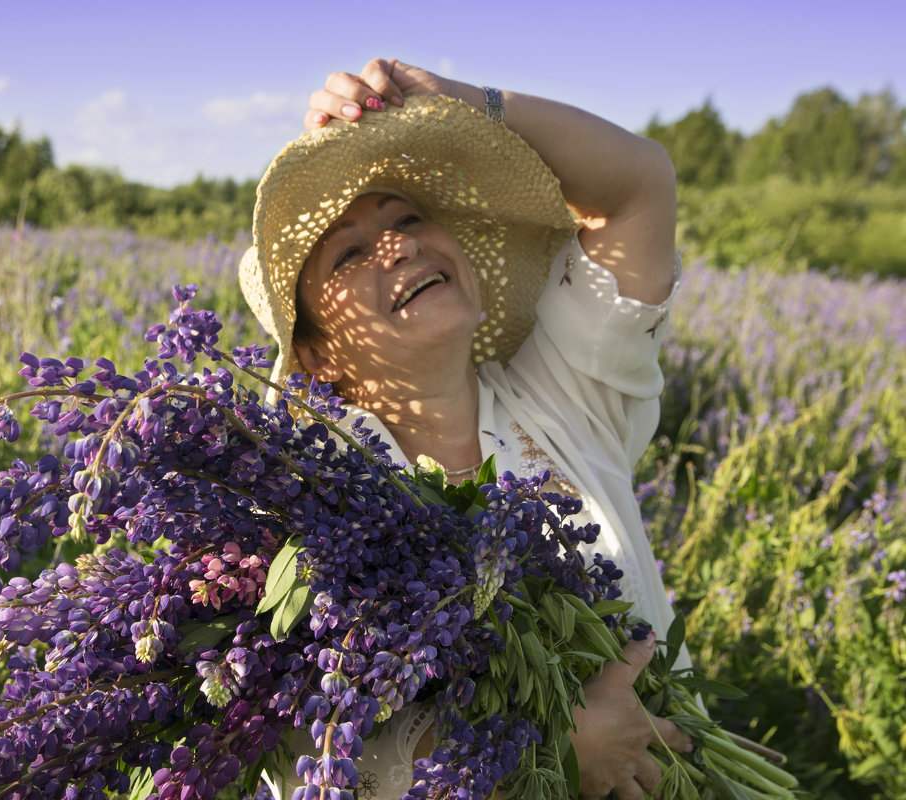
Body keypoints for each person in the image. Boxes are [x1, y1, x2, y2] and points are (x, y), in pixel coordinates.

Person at [239, 58, 693, 800]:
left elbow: (639, 185)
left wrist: (462, 103)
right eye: (351, 252)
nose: (399, 243)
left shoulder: (562, 393)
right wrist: (548, 751)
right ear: (317, 351)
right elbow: (305, 756)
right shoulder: (297, 495)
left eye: (409, 217)